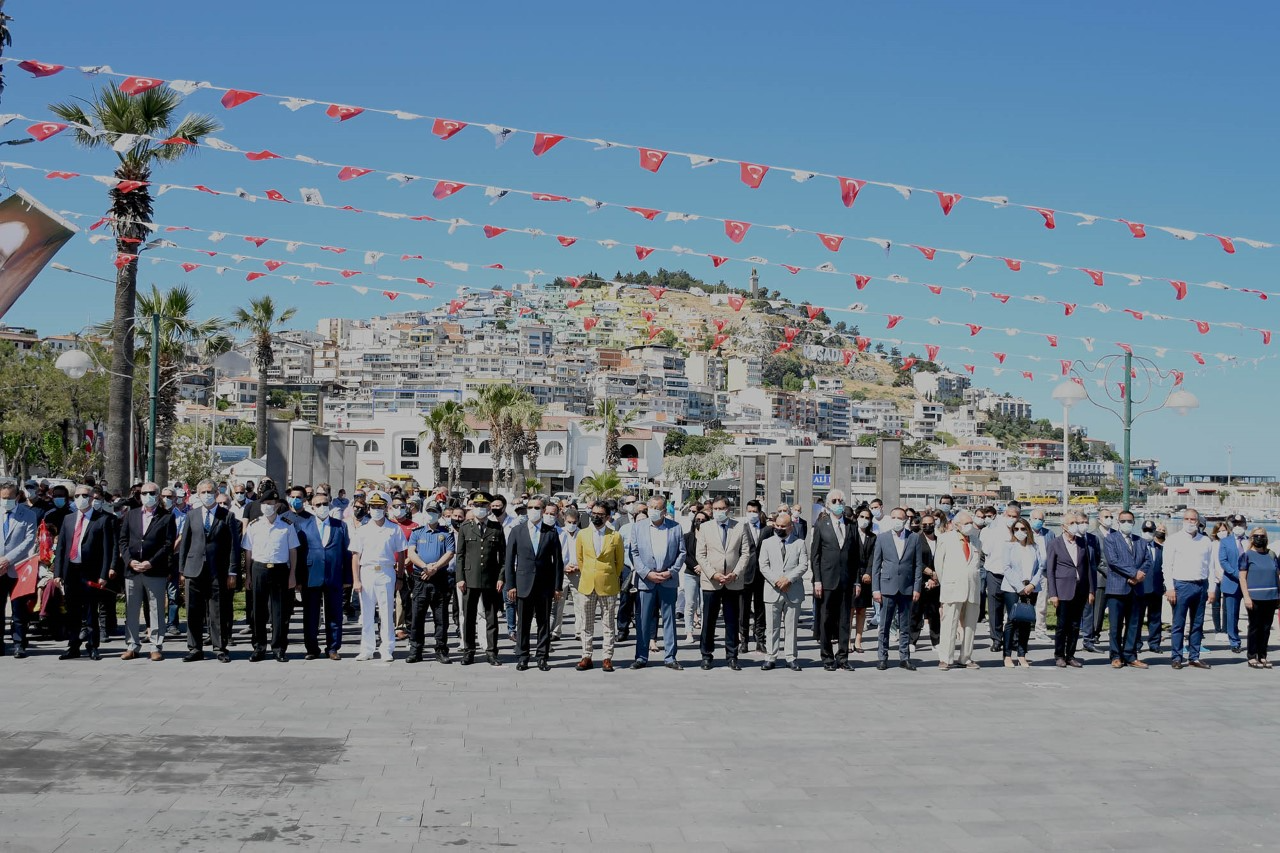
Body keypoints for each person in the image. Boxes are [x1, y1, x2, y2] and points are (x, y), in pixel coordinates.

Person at [52, 484, 115, 661]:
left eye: (85, 495)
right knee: (72, 611)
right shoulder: (68, 519)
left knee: (90, 612)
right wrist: (58, 573)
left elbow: (106, 550)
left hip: (91, 573)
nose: (81, 498)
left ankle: (93, 646)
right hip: (71, 571)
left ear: (92, 497)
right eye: (78, 495)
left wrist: (103, 575)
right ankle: (73, 646)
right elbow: (61, 548)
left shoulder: (101, 520)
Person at [177, 479, 237, 663]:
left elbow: (233, 546)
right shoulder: (192, 515)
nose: (206, 495)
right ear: (197, 493)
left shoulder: (227, 516)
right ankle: (195, 648)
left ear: (216, 492)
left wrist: (232, 572)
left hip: (217, 570)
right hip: (194, 569)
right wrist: (182, 570)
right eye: (203, 492)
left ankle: (219, 648)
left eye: (210, 491)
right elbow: (185, 544)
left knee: (217, 610)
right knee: (193, 611)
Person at [504, 497, 564, 672]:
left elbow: (558, 562)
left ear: (543, 509)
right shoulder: (517, 531)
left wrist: (557, 586)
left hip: (545, 585)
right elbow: (509, 561)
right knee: (523, 622)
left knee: (543, 623)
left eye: (536, 507)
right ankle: (523, 656)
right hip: (523, 584)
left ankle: (542, 656)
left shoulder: (551, 532)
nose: (533, 510)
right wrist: (511, 585)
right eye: (530, 507)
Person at [627, 496, 686, 670]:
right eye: (650, 507)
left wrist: (671, 571)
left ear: (664, 511)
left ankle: (670, 657)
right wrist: (647, 573)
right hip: (647, 581)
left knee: (669, 620)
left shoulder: (676, 528)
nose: (652, 510)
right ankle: (641, 656)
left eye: (656, 507)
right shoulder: (638, 528)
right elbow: (634, 553)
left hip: (668, 580)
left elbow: (682, 553)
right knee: (643, 620)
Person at [695, 497, 752, 671]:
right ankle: (706, 655)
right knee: (709, 620)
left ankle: (732, 655)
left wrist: (735, 573)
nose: (719, 512)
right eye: (715, 509)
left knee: (732, 620)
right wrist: (713, 574)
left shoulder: (740, 526)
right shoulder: (705, 527)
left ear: (728, 509)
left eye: (722, 508)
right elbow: (701, 555)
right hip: (712, 582)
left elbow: (745, 553)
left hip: (733, 581)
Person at [348, 492, 406, 662]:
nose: (376, 510)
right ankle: (366, 648)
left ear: (385, 508)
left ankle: (387, 648)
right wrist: (356, 580)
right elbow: (355, 556)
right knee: (366, 613)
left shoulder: (394, 528)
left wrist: (400, 577)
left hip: (386, 572)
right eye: (373, 507)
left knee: (387, 612)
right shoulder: (363, 530)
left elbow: (401, 554)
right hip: (366, 572)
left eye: (379, 507)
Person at [241, 495, 299, 662]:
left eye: (271, 503)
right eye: (265, 503)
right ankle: (259, 648)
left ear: (277, 505)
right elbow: (248, 552)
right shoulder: (254, 525)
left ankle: (279, 648)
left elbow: (293, 551)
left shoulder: (287, 525)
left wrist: (292, 574)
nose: (268, 506)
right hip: (259, 568)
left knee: (279, 612)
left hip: (280, 570)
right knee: (258, 611)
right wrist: (249, 575)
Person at [455, 494, 506, 666]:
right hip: (469, 579)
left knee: (491, 617)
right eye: (476, 504)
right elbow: (460, 555)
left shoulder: (496, 528)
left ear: (489, 507)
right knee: (469, 617)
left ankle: (491, 652)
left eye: (483, 504)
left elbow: (503, 557)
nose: (480, 507)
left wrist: (501, 577)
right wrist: (460, 578)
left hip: (490, 579)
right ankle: (469, 651)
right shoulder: (465, 527)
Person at [297, 491, 348, 661]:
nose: (322, 507)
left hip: (334, 575)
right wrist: (298, 579)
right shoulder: (304, 526)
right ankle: (312, 648)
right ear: (312, 507)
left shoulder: (340, 526)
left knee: (334, 613)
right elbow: (299, 554)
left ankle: (333, 647)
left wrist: (348, 578)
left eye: (325, 504)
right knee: (311, 614)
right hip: (311, 575)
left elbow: (347, 553)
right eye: (318, 505)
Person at [573, 501, 624, 672]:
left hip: (608, 585)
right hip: (587, 583)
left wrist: (609, 576)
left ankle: (607, 657)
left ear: (607, 517)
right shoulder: (582, 534)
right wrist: (589, 573)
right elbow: (580, 559)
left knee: (608, 623)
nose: (596, 516)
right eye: (593, 513)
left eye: (600, 514)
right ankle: (586, 655)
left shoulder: (615, 536)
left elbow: (619, 562)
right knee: (586, 623)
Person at [871, 507, 924, 671]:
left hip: (907, 588)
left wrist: (917, 587)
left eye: (899, 518)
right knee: (884, 625)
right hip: (887, 587)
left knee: (905, 625)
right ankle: (882, 657)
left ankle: (904, 657)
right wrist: (876, 589)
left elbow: (917, 565)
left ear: (905, 520)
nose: (896, 520)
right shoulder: (882, 538)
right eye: (893, 517)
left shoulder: (914, 538)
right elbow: (876, 565)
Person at [810, 490, 856, 671]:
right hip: (827, 580)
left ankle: (843, 657)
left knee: (845, 620)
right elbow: (816, 555)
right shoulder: (821, 525)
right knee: (826, 619)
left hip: (846, 581)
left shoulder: (851, 526)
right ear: (828, 504)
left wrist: (857, 581)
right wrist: (817, 580)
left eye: (841, 500)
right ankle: (827, 657)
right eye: (834, 500)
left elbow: (856, 556)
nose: (838, 503)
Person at [1164, 508, 1215, 670]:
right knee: (1178, 623)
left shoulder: (1205, 541)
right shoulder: (1174, 540)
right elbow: (1167, 566)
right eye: (1187, 519)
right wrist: (1170, 588)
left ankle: (1194, 656)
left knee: (1197, 624)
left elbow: (1211, 567)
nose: (1190, 522)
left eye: (1193, 519)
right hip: (1181, 585)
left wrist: (1212, 588)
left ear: (1198, 521)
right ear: (1182, 520)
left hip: (1200, 585)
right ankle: (1177, 657)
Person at [1046, 511, 1098, 669]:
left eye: (1077, 522)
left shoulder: (1083, 542)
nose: (1076, 526)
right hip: (1063, 590)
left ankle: (1071, 655)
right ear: (1064, 526)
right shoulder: (1055, 543)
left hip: (1080, 590)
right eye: (1072, 523)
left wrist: (1091, 590)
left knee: (1075, 625)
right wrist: (1053, 594)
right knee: (1062, 625)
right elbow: (1050, 570)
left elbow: (1088, 568)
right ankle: (1059, 655)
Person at [1101, 510, 1152, 669]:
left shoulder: (1141, 541)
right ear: (1118, 522)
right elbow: (1113, 561)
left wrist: (1138, 576)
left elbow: (1148, 560)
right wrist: (1133, 573)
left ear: (1134, 522)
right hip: (1117, 588)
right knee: (1115, 625)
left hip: (1136, 589)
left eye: (1129, 521)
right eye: (1123, 521)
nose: (1126, 524)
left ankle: (1130, 655)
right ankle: (1116, 656)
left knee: (1133, 625)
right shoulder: (1110, 539)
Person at [405, 502, 455, 664]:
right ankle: (416, 649)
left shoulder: (446, 533)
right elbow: (411, 553)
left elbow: (450, 552)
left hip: (440, 578)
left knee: (441, 617)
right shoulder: (417, 532)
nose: (431, 514)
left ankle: (441, 649)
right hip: (421, 578)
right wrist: (425, 567)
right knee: (417, 616)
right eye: (429, 512)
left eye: (434, 512)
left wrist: (435, 568)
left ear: (440, 515)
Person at [758, 510, 808, 671]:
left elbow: (803, 565)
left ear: (790, 527)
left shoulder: (799, 543)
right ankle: (770, 657)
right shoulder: (767, 543)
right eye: (777, 526)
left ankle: (791, 657)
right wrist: (777, 581)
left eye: (783, 526)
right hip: (773, 589)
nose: (779, 528)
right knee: (772, 627)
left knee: (791, 627)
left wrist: (789, 579)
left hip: (793, 590)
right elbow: (763, 565)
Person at [934, 512, 982, 669]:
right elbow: (939, 565)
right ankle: (945, 658)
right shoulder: (945, 539)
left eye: (971, 523)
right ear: (957, 525)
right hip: (953, 587)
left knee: (970, 625)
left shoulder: (976, 541)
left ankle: (966, 657)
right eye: (966, 523)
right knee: (950, 623)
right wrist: (946, 582)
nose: (969, 526)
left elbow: (976, 564)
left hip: (972, 588)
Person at [0, 480, 39, 658]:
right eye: (2, 498)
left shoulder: (28, 515)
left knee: (19, 610)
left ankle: (19, 643)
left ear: (17, 497)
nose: (5, 501)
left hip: (19, 569)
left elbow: (28, 541)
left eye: (9, 498)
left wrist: (7, 560)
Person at [1000, 518, 1041, 667]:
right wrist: (1020, 587)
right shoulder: (1009, 546)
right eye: (1016, 529)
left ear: (1028, 530)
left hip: (1031, 588)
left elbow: (1040, 568)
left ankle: (1022, 654)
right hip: (1013, 588)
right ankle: (1007, 655)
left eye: (1023, 529)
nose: (1020, 532)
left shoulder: (1034, 547)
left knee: (1026, 621)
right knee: (1012, 621)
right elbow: (1006, 568)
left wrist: (1032, 584)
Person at [980, 501, 1020, 653]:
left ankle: (1013, 639)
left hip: (1014, 576)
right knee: (995, 608)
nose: (1011, 519)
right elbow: (986, 549)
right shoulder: (994, 529)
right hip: (995, 572)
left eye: (1014, 516)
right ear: (1004, 515)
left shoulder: (1021, 529)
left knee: (1014, 609)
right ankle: (996, 639)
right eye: (1008, 515)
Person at [1239, 528, 1278, 668]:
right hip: (1254, 597)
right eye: (1256, 536)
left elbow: (1277, 575)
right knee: (1255, 627)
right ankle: (1252, 656)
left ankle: (1263, 655)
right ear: (1251, 538)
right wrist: (1246, 597)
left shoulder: (1272, 555)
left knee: (1266, 628)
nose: (1259, 538)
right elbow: (1242, 578)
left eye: (1262, 536)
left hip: (1271, 596)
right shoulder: (1247, 555)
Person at [1081, 508, 1116, 654]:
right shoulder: (1094, 536)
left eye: (1110, 516)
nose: (1109, 519)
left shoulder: (1115, 534)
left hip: (1116, 580)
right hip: (1101, 578)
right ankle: (1093, 635)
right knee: (1098, 610)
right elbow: (1096, 559)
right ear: (1099, 519)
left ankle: (1105, 634)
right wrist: (1110, 572)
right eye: (1105, 516)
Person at [737, 500, 769, 655]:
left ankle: (760, 640)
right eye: (749, 511)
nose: (751, 514)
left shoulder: (767, 529)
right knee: (743, 609)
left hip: (762, 575)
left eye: (754, 511)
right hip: (745, 575)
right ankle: (743, 640)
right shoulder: (741, 528)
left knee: (760, 609)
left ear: (759, 512)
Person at [1217, 514, 1249, 654]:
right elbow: (1223, 561)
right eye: (1235, 523)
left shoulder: (1250, 541)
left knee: (1253, 614)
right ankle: (1234, 641)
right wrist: (1237, 575)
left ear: (1245, 525)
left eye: (1240, 523)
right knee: (1232, 614)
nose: (1238, 526)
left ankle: (1255, 640)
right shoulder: (1225, 542)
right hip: (1232, 582)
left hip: (1249, 584)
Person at [910, 511, 941, 651]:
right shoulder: (916, 539)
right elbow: (914, 560)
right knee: (916, 612)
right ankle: (912, 640)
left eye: (931, 524)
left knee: (934, 613)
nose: (928, 526)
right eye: (925, 524)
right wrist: (930, 573)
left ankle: (936, 641)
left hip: (936, 582)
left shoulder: (940, 540)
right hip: (920, 580)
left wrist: (936, 578)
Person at [550, 506, 579, 642]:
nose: (571, 525)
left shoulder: (582, 534)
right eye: (569, 522)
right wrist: (563, 567)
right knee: (558, 603)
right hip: (561, 573)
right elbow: (554, 555)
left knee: (580, 604)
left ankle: (580, 631)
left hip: (578, 572)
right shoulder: (558, 533)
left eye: (574, 522)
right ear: (564, 520)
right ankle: (556, 631)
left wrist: (579, 566)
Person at [851, 506, 876, 654]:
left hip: (866, 577)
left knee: (861, 610)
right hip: (852, 576)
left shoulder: (873, 537)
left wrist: (868, 573)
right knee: (850, 609)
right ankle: (847, 640)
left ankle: (858, 640)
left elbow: (873, 557)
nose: (864, 520)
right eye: (862, 516)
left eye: (867, 518)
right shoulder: (850, 534)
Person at [680, 510, 706, 644]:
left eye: (703, 520)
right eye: (698, 520)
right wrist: (696, 566)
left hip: (707, 574)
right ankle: (689, 632)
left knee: (704, 604)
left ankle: (704, 632)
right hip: (691, 573)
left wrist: (703, 567)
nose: (700, 522)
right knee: (690, 603)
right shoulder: (687, 537)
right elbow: (684, 554)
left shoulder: (710, 537)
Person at [1140, 522, 1166, 653]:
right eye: (1146, 530)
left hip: (1156, 588)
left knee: (1155, 617)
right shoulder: (1136, 545)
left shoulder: (1160, 548)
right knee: (1137, 617)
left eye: (1151, 530)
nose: (1148, 532)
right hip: (1140, 588)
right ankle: (1136, 643)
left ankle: (1154, 643)